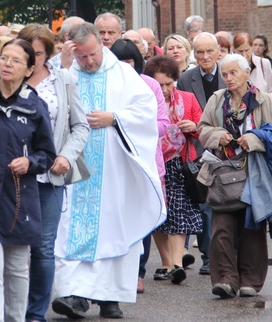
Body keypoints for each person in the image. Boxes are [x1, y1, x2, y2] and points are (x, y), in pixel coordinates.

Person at [52, 23, 165, 320]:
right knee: (70, 229)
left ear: (101, 46)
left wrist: (114, 117)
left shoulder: (124, 75)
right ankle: (73, 294)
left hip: (114, 168)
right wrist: (63, 67)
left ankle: (111, 297)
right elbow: (47, 103)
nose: (88, 61)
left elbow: (146, 111)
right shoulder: (65, 72)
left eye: (92, 55)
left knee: (114, 227)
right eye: (82, 57)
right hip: (75, 169)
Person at [0, 39, 57, 322]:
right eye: (4, 58)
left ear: (29, 70)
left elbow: (47, 154)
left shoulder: (35, 104)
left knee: (17, 267)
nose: (7, 64)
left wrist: (31, 163)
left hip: (19, 195)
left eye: (16, 61)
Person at [197, 53, 272, 298]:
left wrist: (255, 139)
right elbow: (202, 129)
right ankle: (226, 280)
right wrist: (218, 135)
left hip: (254, 172)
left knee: (253, 227)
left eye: (233, 73)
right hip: (223, 172)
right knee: (222, 228)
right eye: (224, 74)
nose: (228, 78)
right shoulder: (217, 100)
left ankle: (250, 279)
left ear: (246, 72)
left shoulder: (264, 101)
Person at [17, 24, 89, 322]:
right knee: (15, 246)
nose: (30, 60)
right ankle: (13, 309)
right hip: (16, 176)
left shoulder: (64, 80)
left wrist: (66, 156)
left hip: (50, 175)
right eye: (26, 53)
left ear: (48, 53)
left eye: (36, 54)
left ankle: (36, 313)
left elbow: (80, 126)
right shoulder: (6, 78)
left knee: (44, 247)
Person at [108, 39, 169, 295]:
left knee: (141, 216)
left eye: (129, 62)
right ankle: (112, 272)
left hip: (144, 162)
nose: (124, 67)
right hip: (112, 163)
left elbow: (163, 124)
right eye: (119, 63)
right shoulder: (106, 86)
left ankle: (138, 273)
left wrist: (125, 123)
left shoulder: (149, 85)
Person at [143, 55, 203, 285]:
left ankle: (177, 264)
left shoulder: (187, 99)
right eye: (160, 84)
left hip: (179, 162)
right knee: (157, 213)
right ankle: (166, 262)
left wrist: (194, 128)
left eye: (170, 83)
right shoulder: (144, 100)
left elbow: (202, 127)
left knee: (178, 211)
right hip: (153, 161)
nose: (166, 89)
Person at [176, 32, 226, 275]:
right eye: (199, 52)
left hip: (228, 148)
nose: (205, 56)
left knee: (228, 201)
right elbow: (184, 111)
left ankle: (228, 252)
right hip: (198, 150)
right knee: (205, 204)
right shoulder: (186, 78)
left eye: (209, 51)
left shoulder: (229, 74)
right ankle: (208, 256)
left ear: (218, 51)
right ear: (193, 55)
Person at [232, 32, 272, 101]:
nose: (244, 54)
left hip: (261, 108)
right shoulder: (229, 65)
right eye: (240, 51)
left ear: (251, 47)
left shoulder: (264, 63)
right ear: (234, 50)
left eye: (247, 50)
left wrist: (266, 106)